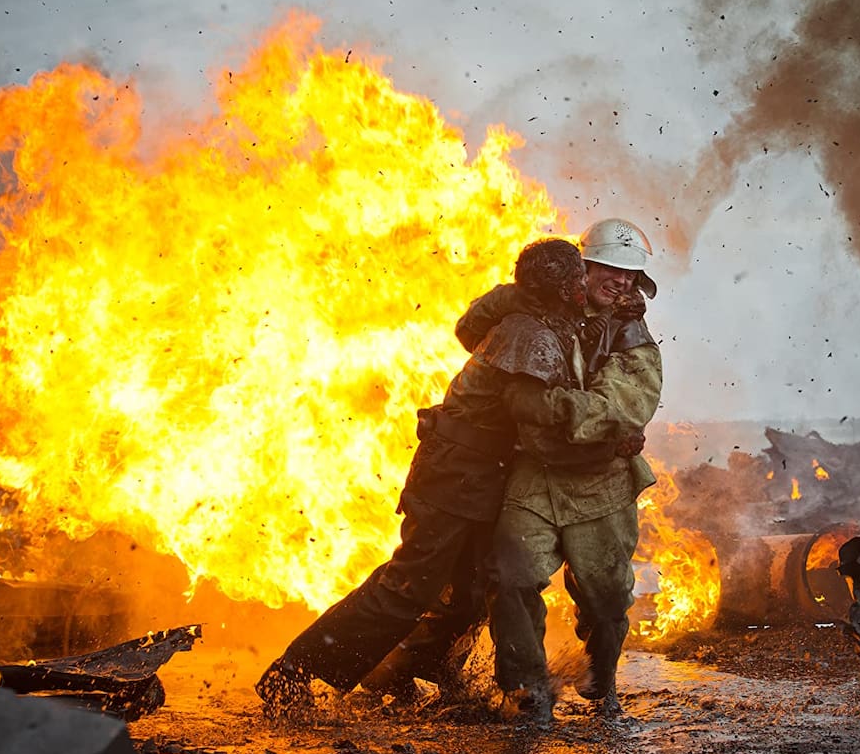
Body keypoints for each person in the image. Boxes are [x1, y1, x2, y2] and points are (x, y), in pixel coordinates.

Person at [255, 237, 640, 715]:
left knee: (473, 590)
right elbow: (531, 407)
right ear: (561, 289)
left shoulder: (537, 312)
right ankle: (296, 674)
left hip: (480, 472)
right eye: (578, 278)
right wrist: (610, 434)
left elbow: (470, 327)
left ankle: (409, 674)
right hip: (455, 472)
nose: (587, 284)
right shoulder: (529, 334)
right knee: (408, 585)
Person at [488, 218, 663, 725]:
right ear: (581, 268)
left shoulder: (633, 339)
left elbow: (621, 409)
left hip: (601, 484)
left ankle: (601, 679)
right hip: (535, 476)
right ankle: (527, 690)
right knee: (509, 578)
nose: (622, 282)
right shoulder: (540, 309)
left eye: (631, 275)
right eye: (611, 268)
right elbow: (478, 331)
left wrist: (544, 406)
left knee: (607, 600)